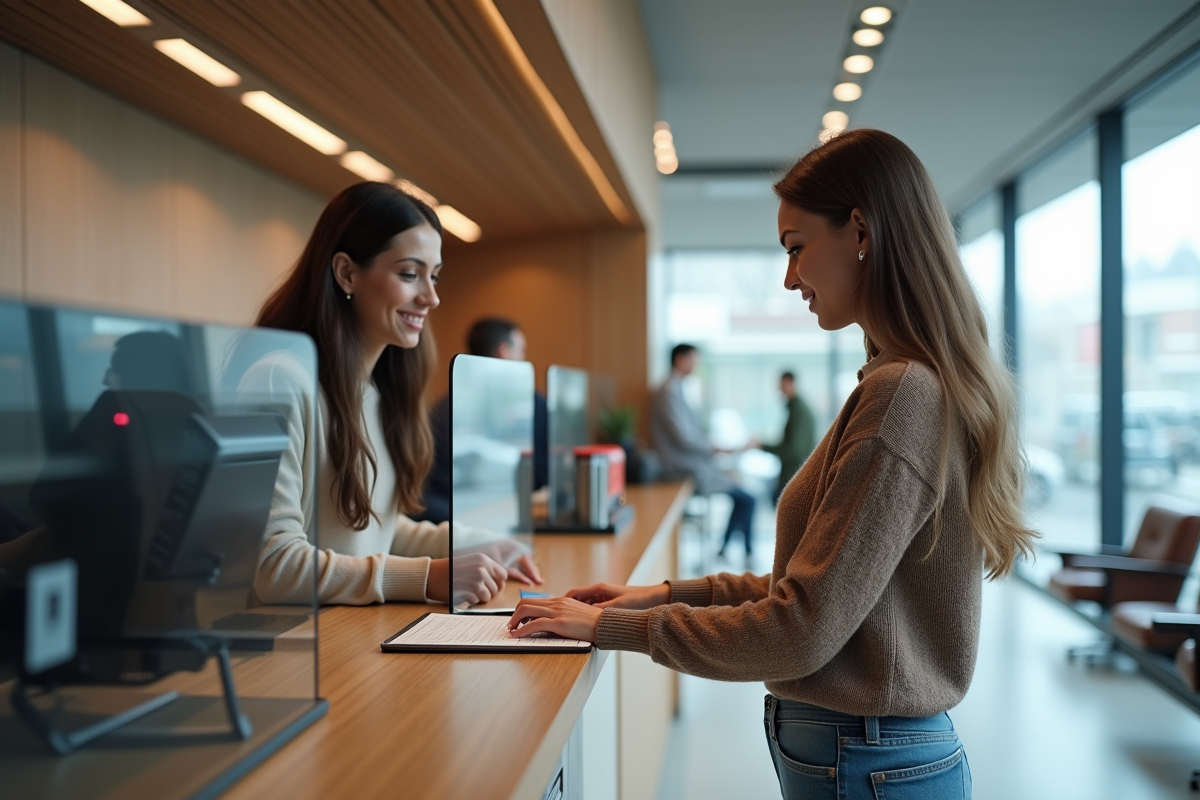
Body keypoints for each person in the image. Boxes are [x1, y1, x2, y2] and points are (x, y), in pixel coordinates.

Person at [506, 129, 1037, 800]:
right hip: (869, 760)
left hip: (870, 764)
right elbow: (818, 585)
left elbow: (801, 630)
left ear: (861, 231)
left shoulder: (901, 394)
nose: (789, 279)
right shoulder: (904, 384)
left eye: (796, 249)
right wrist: (663, 595)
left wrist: (618, 628)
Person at [244, 182, 541, 607]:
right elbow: (273, 566)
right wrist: (426, 577)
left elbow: (375, 532)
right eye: (409, 274)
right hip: (296, 657)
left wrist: (484, 543)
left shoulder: (377, 391)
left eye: (433, 276)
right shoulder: (280, 379)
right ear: (346, 273)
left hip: (350, 641)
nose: (431, 296)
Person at [416, 317, 548, 525]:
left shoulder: (446, 405)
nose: (524, 358)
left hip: (449, 513)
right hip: (463, 519)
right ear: (504, 351)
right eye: (521, 351)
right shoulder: (530, 405)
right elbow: (541, 476)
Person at [650, 343, 757, 558]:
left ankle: (732, 549)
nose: (696, 365)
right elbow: (684, 439)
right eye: (693, 360)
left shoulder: (675, 388)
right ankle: (738, 550)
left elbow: (691, 435)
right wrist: (717, 448)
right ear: (680, 359)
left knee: (744, 495)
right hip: (682, 468)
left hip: (690, 464)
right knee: (747, 498)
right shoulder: (668, 391)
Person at [761, 371, 816, 504]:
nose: (779, 389)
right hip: (794, 472)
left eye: (781, 384)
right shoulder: (795, 408)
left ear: (789, 382)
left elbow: (794, 450)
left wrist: (763, 446)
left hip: (795, 473)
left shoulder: (799, 410)